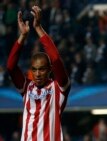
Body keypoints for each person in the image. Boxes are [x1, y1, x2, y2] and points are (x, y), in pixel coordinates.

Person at [6, 5, 71, 141]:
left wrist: (38, 28)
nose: (37, 73)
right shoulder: (26, 87)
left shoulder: (59, 88)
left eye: (41, 69)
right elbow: (11, 67)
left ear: (49, 70)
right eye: (34, 69)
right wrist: (23, 36)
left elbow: (56, 59)